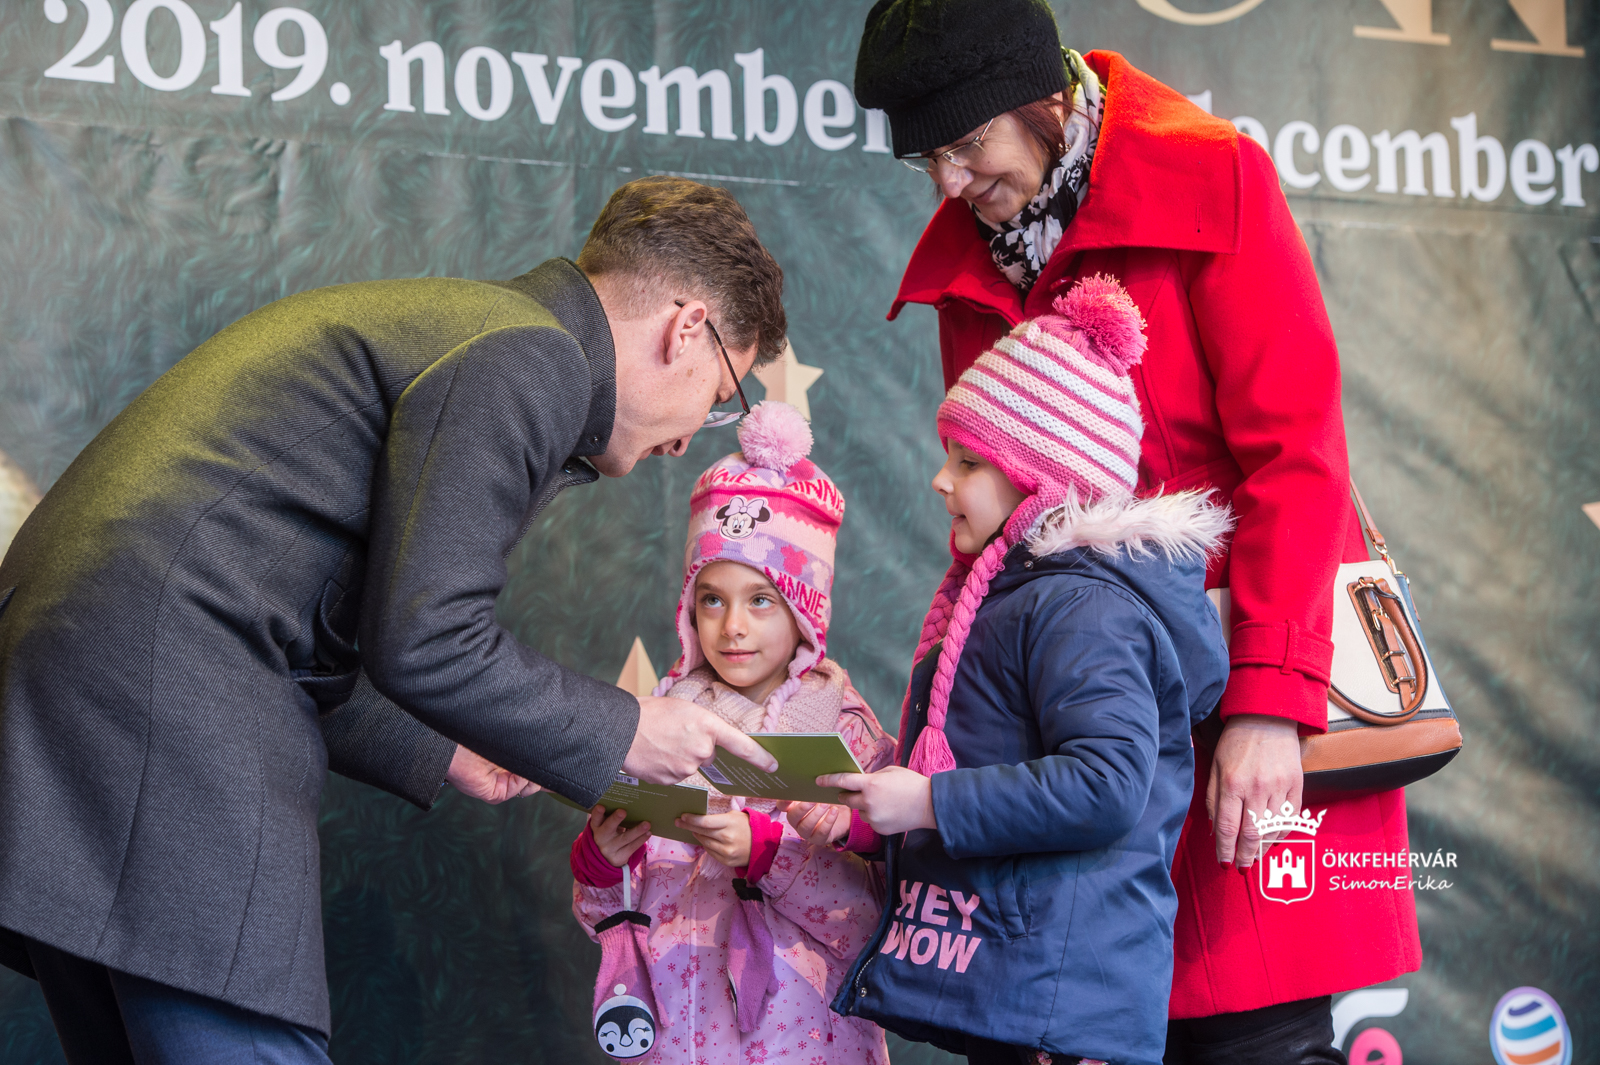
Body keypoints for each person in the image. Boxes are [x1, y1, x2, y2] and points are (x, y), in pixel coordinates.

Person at [0, 176, 787, 1064]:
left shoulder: (476, 331)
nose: (693, 435)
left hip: (75, 689)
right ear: (686, 329)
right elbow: (430, 640)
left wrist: (439, 747)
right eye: (722, 394)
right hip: (158, 701)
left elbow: (303, 615)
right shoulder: (532, 354)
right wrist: (629, 729)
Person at [853, 2, 1422, 1061]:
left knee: (1246, 1024)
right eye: (926, 157)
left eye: (967, 144)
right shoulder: (972, 254)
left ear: (1047, 102)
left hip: (1235, 699)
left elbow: (1296, 460)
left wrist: (1268, 705)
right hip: (1078, 732)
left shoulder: (1213, 180)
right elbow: (1000, 520)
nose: (946, 183)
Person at [822, 279, 1230, 1065]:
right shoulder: (1013, 594)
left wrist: (931, 800)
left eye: (970, 460)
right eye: (949, 454)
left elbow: (1108, 783)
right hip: (1020, 985)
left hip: (1063, 1011)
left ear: (1045, 482)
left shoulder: (1084, 607)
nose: (943, 479)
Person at [570, 401, 894, 1064]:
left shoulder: (845, 730)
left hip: (804, 1041)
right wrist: (604, 862)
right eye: (711, 598)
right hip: (675, 1036)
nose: (732, 626)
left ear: (805, 608)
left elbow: (875, 920)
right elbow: (609, 916)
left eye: (760, 600)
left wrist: (766, 852)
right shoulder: (659, 718)